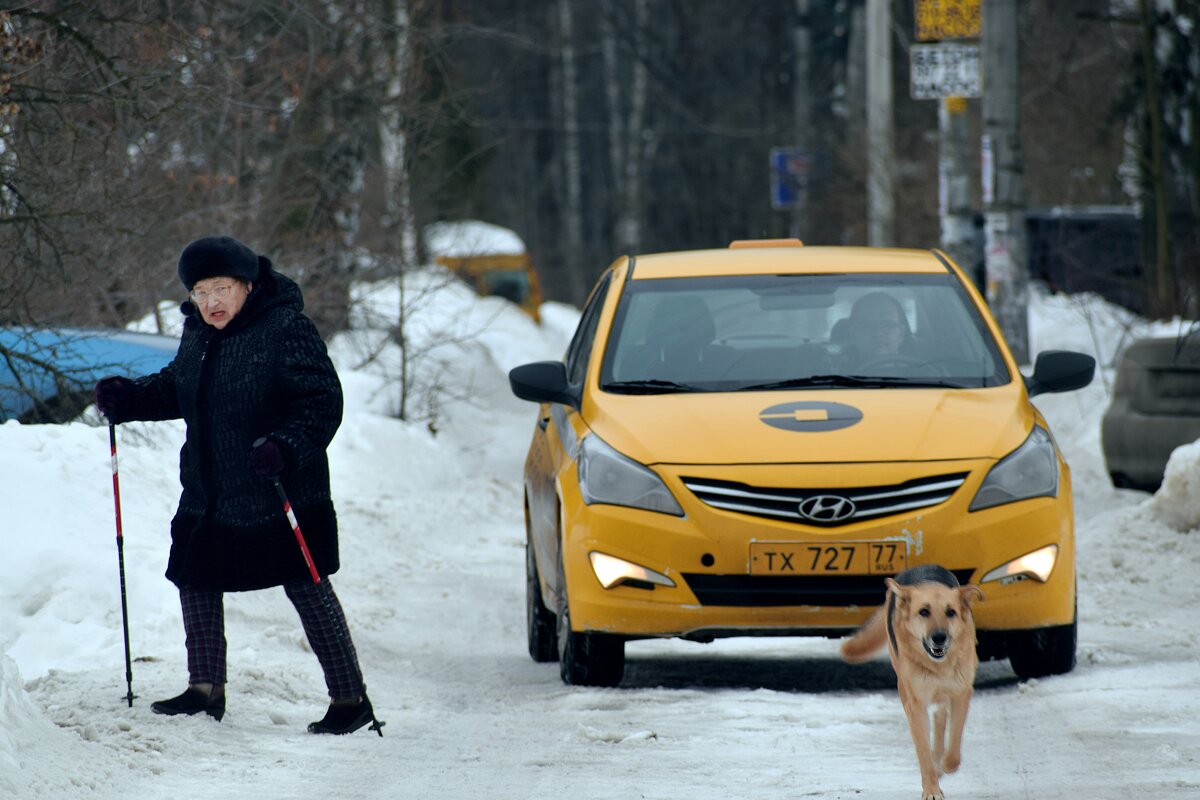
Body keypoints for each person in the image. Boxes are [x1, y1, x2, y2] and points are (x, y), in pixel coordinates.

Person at [94, 235, 376, 735]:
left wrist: (286, 447)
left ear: (247, 285)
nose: (211, 303)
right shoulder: (198, 333)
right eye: (200, 292)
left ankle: (349, 699)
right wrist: (130, 398)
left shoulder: (285, 326)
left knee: (307, 587)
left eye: (221, 288)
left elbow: (321, 402)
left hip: (278, 488)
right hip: (210, 488)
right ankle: (205, 690)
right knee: (195, 579)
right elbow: (180, 386)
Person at [837, 291, 914, 368]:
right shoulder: (836, 373)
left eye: (887, 325)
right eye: (867, 325)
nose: (877, 333)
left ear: (901, 334)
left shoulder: (919, 373)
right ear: (853, 333)